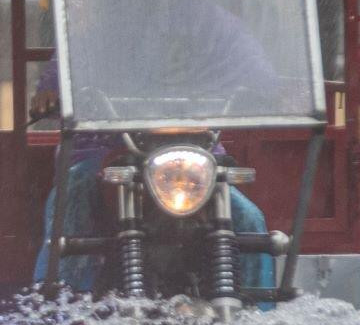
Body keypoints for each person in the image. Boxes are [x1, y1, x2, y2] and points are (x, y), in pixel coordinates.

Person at [30, 52, 275, 297]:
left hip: (195, 151)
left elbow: (248, 60)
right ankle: (58, 307)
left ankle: (261, 313)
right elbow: (70, 57)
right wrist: (51, 90)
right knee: (71, 196)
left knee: (249, 218)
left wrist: (270, 84)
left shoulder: (202, 23)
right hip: (107, 147)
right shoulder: (100, 28)